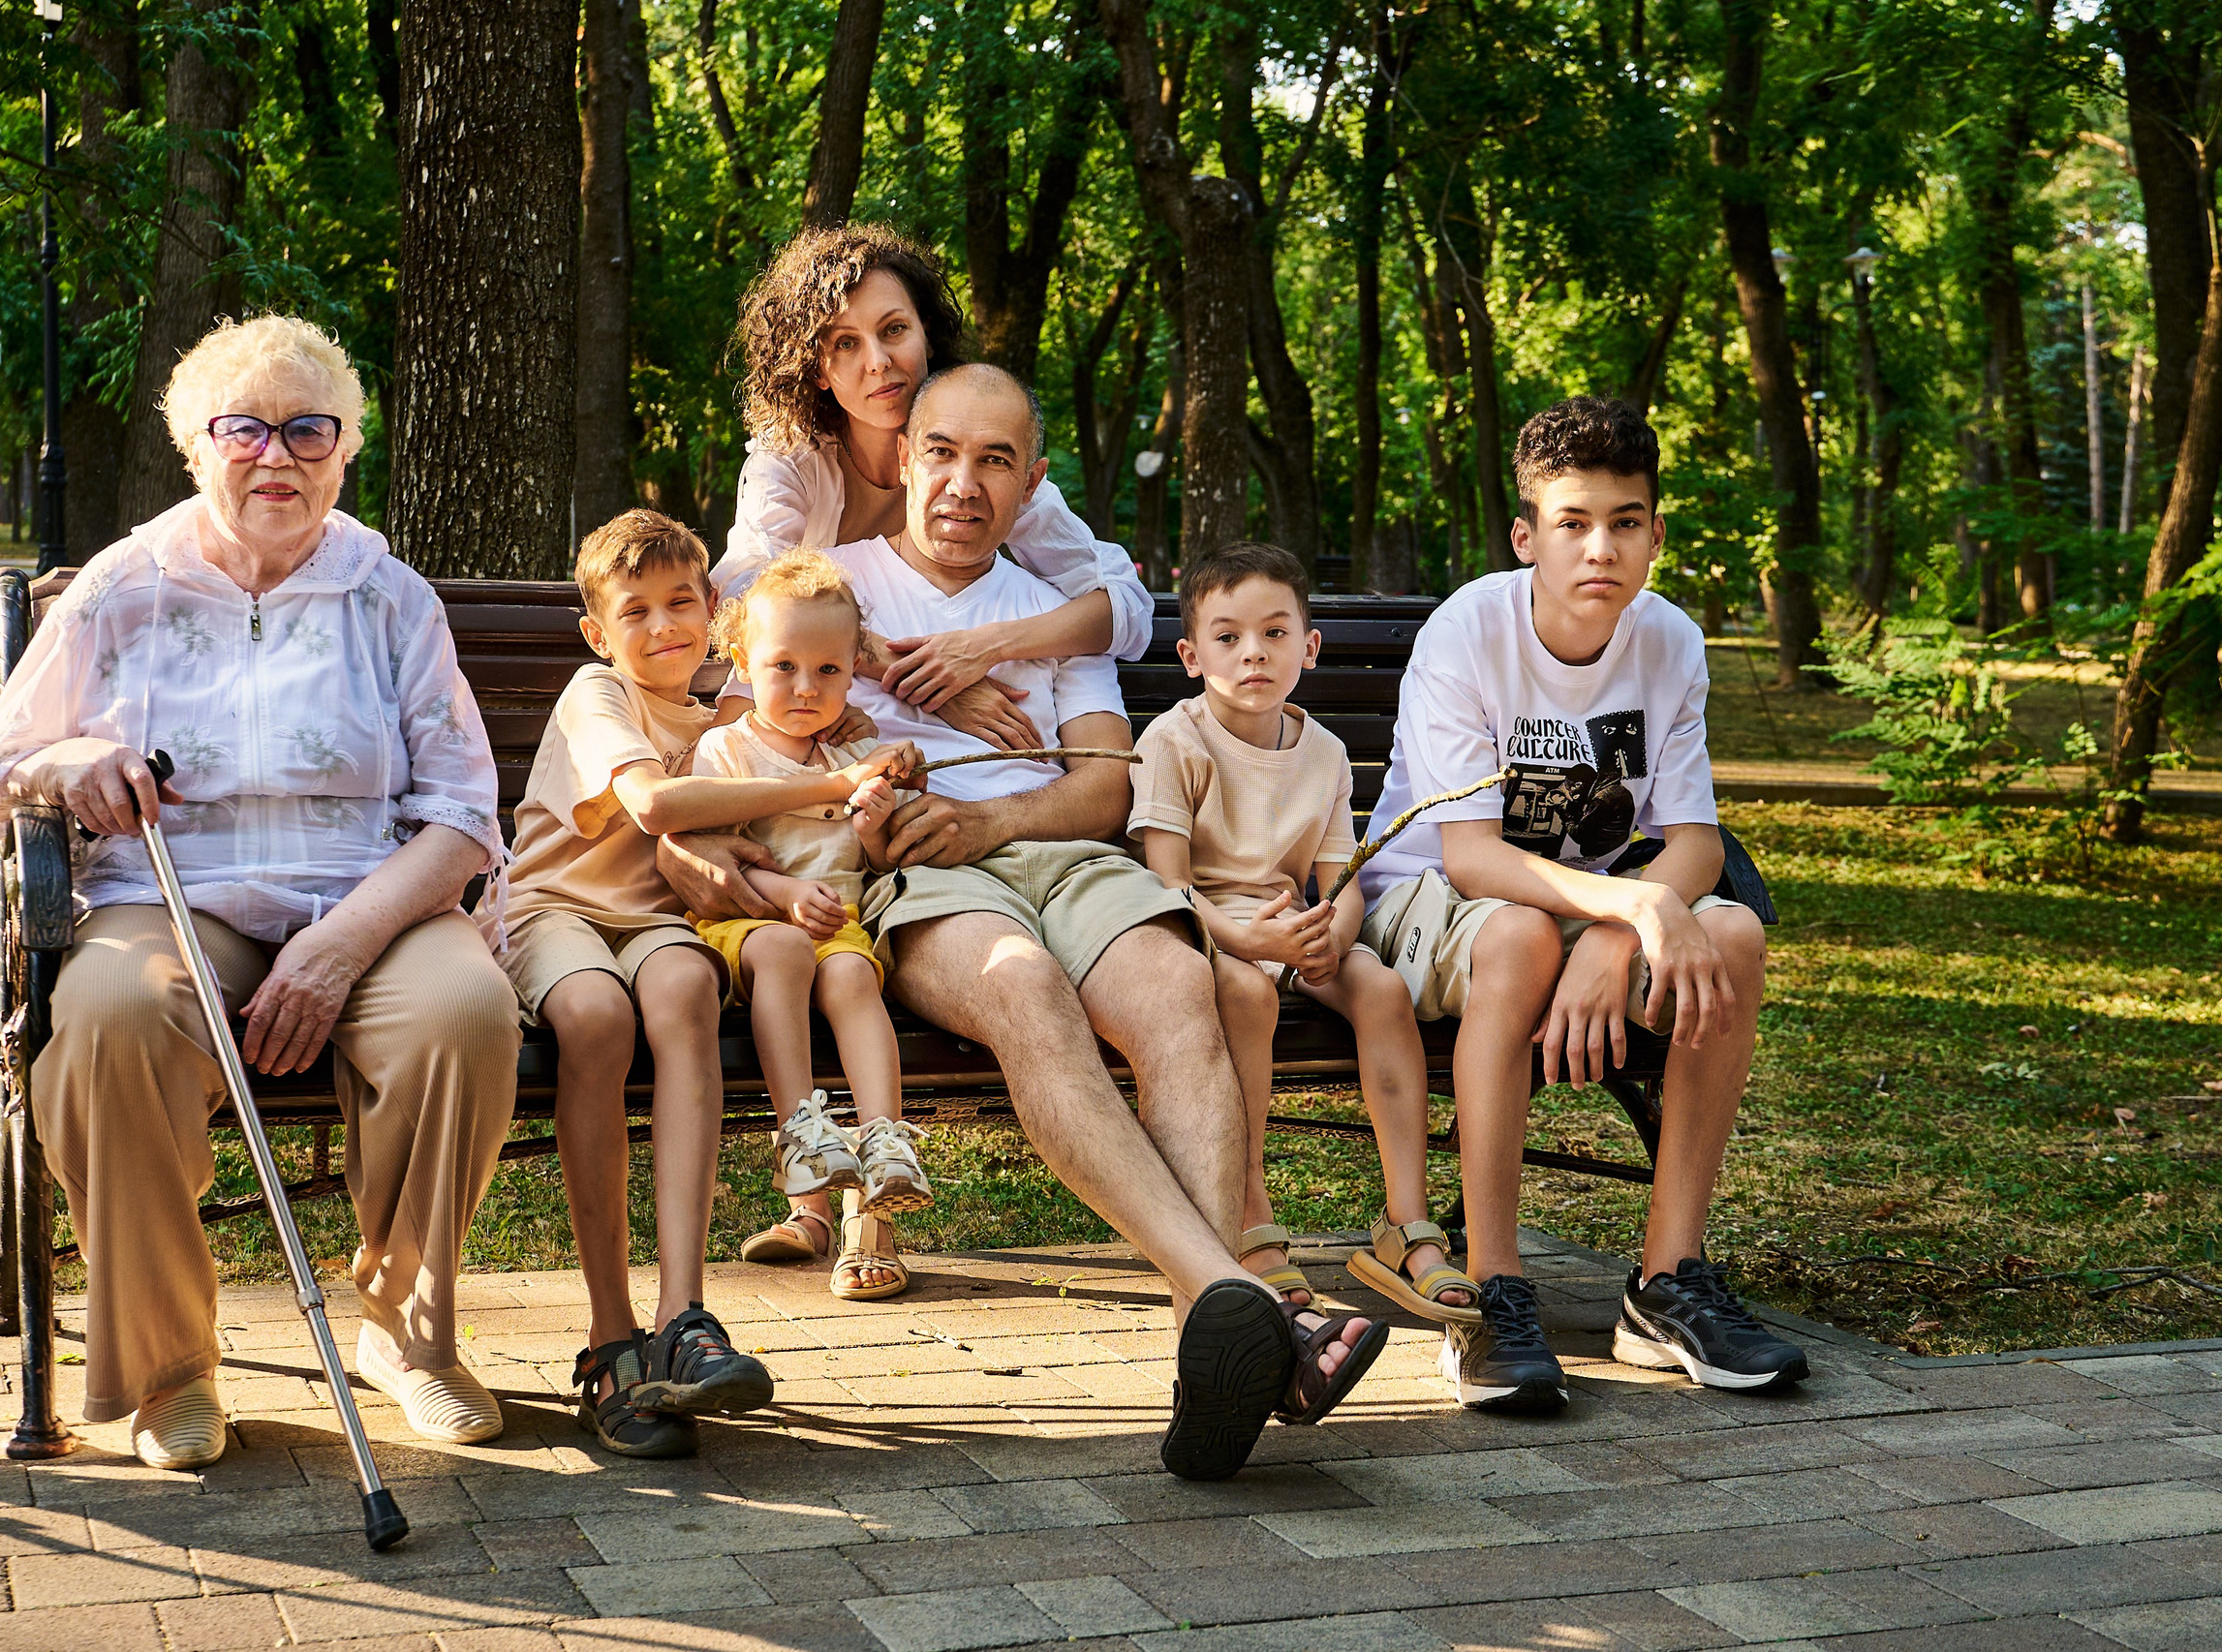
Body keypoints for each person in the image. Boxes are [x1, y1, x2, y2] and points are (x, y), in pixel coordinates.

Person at [664, 362, 1387, 1483]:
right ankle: (1239, 1308)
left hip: (1056, 851)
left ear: (1030, 480)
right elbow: (740, 744)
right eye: (942, 451)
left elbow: (1105, 782)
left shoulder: (1045, 608)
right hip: (921, 881)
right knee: (1025, 987)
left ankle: (1223, 1336)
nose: (962, 482)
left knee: (1178, 993)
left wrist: (993, 812)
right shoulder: (828, 586)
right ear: (905, 458)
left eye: (994, 460)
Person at [0, 315, 521, 1470]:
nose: (279, 457)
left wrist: (340, 945)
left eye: (310, 430)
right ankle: (173, 1368)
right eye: (245, 429)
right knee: (105, 1020)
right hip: (167, 896)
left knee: (462, 1009)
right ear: (194, 447)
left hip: (367, 899)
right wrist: (68, 766)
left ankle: (407, 1338)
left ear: (347, 449)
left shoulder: (389, 597)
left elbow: (462, 815)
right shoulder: (120, 589)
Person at [1354, 395, 1809, 1414]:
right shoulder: (1469, 628)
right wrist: (1623, 911)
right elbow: (1472, 859)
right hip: (1427, 899)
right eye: (1572, 521)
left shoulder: (1669, 640)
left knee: (1730, 932)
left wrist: (1620, 925)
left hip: (1575, 903)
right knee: (1517, 934)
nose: (1599, 545)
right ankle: (1495, 1291)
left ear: (1653, 532)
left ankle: (1663, 1283)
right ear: (1527, 535)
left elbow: (1692, 839)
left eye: (1625, 520)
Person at [498, 510, 908, 1458]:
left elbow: (735, 836)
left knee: (684, 992)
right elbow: (653, 803)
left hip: (659, 929)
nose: (662, 625)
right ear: (601, 632)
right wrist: (826, 788)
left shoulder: (739, 719)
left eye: (680, 601)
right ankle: (611, 1340)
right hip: (553, 915)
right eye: (633, 610)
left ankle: (684, 1316)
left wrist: (871, 760)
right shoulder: (596, 691)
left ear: (711, 609)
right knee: (596, 1017)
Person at [1131, 542, 1478, 1329]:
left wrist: (1331, 932)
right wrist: (1251, 940)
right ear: (1190, 655)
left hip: (1296, 929)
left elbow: (1342, 870)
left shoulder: (1322, 750)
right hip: (1205, 932)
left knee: (1382, 986)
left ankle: (1405, 1224)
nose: (1253, 652)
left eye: (1275, 633)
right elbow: (1166, 882)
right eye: (1227, 637)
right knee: (1248, 994)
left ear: (1308, 647)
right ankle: (1249, 1214)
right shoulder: (1174, 743)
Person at [721, 222, 1154, 753]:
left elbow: (1126, 609)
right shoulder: (792, 459)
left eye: (894, 329)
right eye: (846, 344)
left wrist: (980, 649)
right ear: (817, 372)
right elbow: (745, 597)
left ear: (926, 332)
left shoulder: (988, 473)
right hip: (825, 709)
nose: (878, 361)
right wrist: (929, 684)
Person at [693, 550, 933, 1300]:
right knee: (791, 951)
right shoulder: (726, 749)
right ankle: (805, 1178)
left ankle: (884, 1146)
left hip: (840, 923)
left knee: (854, 972)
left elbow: (875, 856)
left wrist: (878, 818)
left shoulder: (856, 754)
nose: (806, 687)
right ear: (742, 661)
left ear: (854, 670)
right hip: (749, 924)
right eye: (784, 666)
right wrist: (785, 894)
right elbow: (719, 859)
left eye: (828, 671)